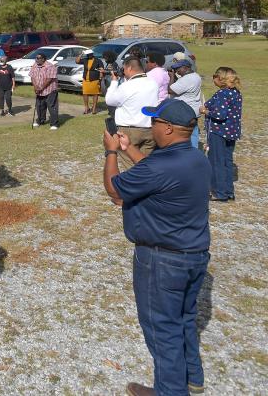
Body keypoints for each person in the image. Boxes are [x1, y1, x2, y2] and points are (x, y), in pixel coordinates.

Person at [102, 99, 210, 396]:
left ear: (169, 128)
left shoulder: (161, 165)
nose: (151, 127)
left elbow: (114, 187)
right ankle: (193, 378)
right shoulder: (196, 158)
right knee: (184, 319)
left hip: (161, 261)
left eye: (155, 122)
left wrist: (111, 151)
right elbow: (156, 173)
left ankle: (170, 391)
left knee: (162, 330)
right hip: (194, 255)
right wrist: (128, 148)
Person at [105, 57, 159, 165]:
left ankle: (134, 182)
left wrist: (114, 82)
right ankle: (145, 181)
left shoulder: (126, 86)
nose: (123, 72)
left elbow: (109, 100)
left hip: (130, 130)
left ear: (129, 68)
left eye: (124, 69)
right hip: (150, 128)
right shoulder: (153, 83)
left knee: (129, 163)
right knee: (144, 162)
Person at [201, 67, 242, 202]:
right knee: (227, 162)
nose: (213, 79)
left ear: (220, 79)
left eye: (214, 76)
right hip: (232, 132)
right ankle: (229, 192)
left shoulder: (222, 94)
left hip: (219, 132)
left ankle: (219, 193)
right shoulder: (236, 92)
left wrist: (206, 111)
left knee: (216, 161)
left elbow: (220, 114)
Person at [167, 60, 204, 149]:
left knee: (184, 135)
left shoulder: (187, 79)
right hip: (193, 110)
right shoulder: (195, 76)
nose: (177, 71)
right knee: (193, 133)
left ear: (186, 68)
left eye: (178, 69)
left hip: (185, 111)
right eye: (175, 69)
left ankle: (187, 153)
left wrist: (171, 76)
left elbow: (171, 90)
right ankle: (193, 153)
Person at [29, 52, 60, 130]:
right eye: (36, 58)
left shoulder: (50, 66)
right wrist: (35, 87)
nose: (36, 60)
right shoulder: (35, 65)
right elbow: (32, 76)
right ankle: (40, 120)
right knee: (39, 106)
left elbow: (49, 79)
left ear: (43, 59)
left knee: (51, 106)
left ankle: (54, 124)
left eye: (38, 58)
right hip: (39, 90)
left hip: (50, 90)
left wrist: (41, 87)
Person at [77, 49, 103, 115]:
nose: (88, 55)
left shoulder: (98, 60)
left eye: (89, 54)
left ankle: (94, 108)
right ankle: (86, 107)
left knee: (95, 94)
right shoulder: (85, 59)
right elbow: (77, 61)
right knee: (85, 93)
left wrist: (100, 78)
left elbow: (101, 70)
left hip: (95, 79)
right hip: (86, 79)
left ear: (92, 54)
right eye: (87, 54)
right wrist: (81, 54)